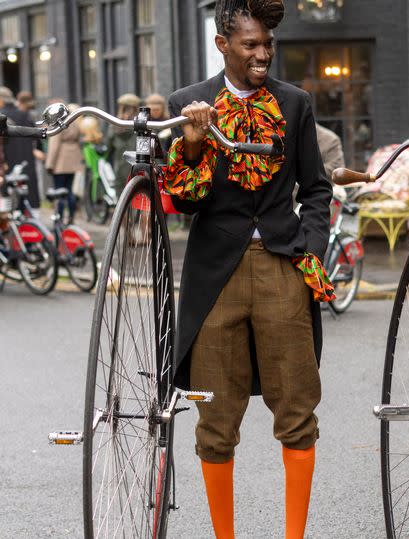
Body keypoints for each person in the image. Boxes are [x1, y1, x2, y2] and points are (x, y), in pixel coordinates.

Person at [163, 1, 332, 537]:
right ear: (223, 45)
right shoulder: (188, 103)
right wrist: (192, 144)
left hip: (281, 264)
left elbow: (318, 188)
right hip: (215, 275)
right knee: (214, 419)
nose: (262, 54)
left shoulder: (295, 103)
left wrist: (311, 247)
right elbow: (186, 204)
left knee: (297, 410)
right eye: (250, 44)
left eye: (268, 45)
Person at [2, 89, 44, 212]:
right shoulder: (24, 115)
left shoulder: (3, 115)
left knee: (7, 196)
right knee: (26, 190)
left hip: (7, 160)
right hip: (25, 160)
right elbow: (34, 134)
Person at [44, 103, 83, 223]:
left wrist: (50, 164)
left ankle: (59, 218)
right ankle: (71, 217)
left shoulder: (59, 124)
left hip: (60, 161)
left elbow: (54, 145)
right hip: (73, 160)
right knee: (69, 191)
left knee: (59, 192)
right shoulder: (75, 124)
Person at [106, 93, 141, 195]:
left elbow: (108, 148)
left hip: (120, 167)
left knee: (122, 200)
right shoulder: (143, 124)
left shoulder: (115, 124)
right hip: (138, 167)